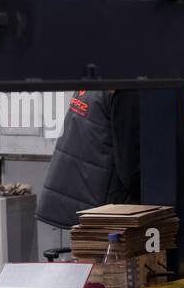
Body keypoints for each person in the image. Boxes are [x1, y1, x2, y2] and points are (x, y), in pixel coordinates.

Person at [36, 90, 140, 229]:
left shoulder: (96, 80)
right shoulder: (124, 90)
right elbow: (131, 170)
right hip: (103, 209)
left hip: (83, 201)